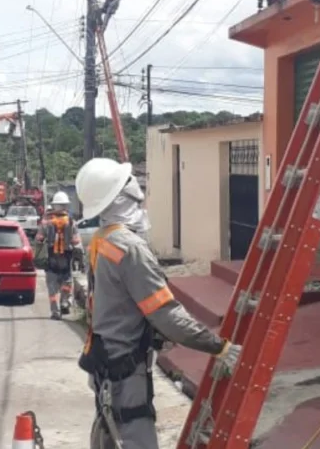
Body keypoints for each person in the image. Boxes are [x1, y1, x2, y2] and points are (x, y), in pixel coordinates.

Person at [75, 157, 239, 449]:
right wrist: (220, 347)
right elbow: (166, 316)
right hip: (125, 369)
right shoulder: (130, 248)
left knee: (112, 436)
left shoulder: (101, 241)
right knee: (135, 437)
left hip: (104, 361)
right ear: (122, 197)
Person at [36, 191, 80, 320]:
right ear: (66, 206)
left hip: (51, 256)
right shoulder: (71, 221)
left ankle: (55, 311)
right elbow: (76, 241)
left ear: (54, 206)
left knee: (52, 284)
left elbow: (39, 239)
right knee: (67, 280)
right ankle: (65, 302)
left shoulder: (46, 221)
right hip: (66, 256)